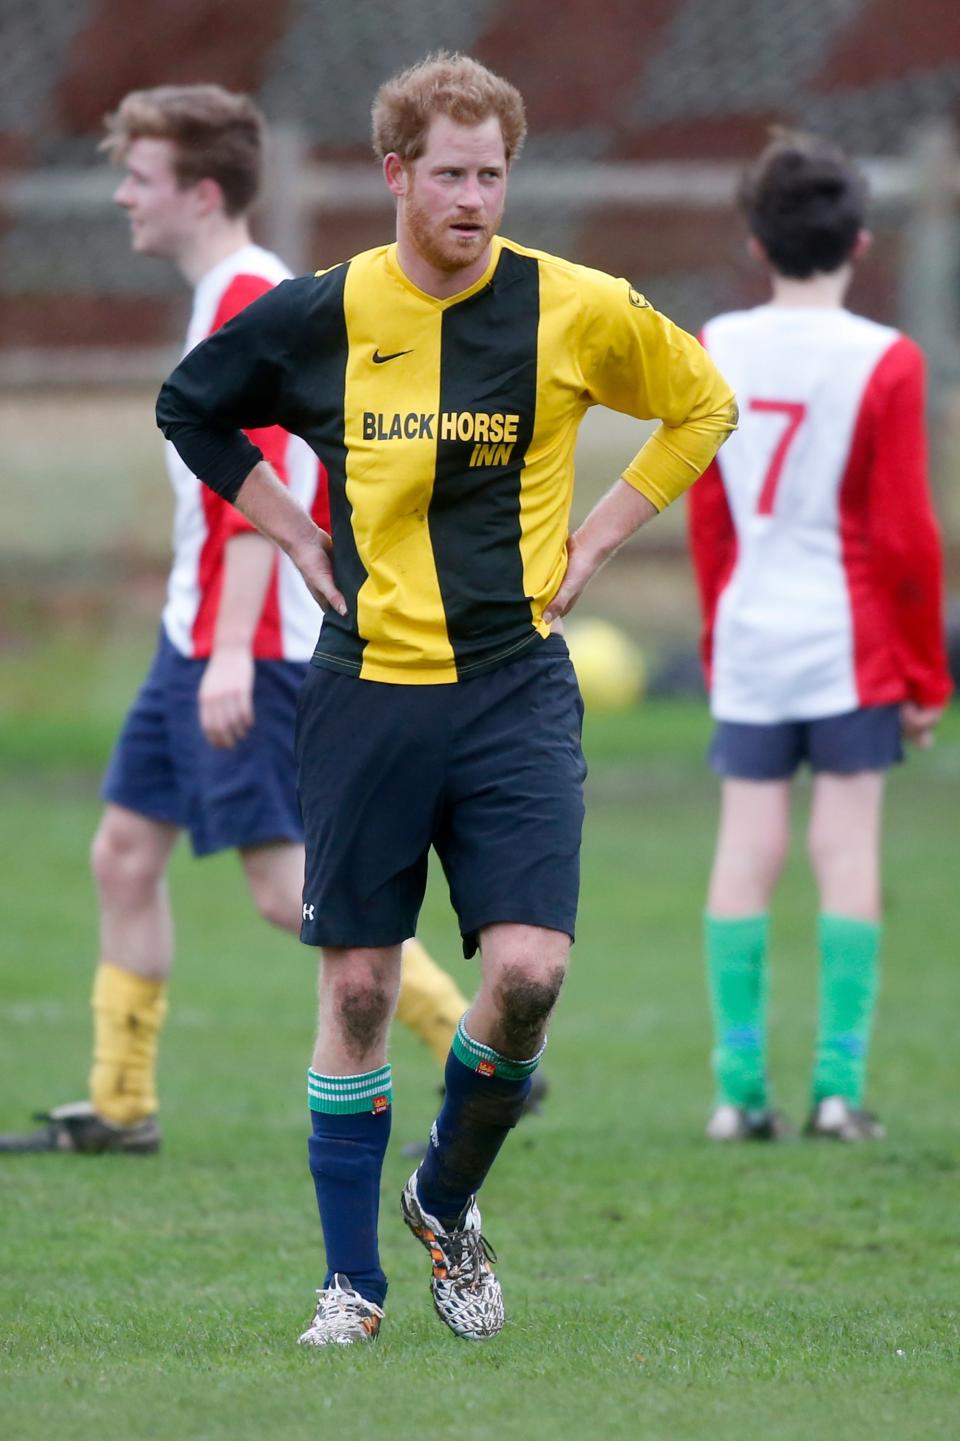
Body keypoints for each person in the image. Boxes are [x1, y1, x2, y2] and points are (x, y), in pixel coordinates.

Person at [156, 51, 736, 1346]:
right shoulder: (323, 312)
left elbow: (702, 402)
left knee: (528, 970)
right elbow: (191, 408)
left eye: (494, 175)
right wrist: (292, 536)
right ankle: (348, 1286)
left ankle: (445, 1197)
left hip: (514, 688)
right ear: (397, 175)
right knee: (359, 988)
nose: (475, 198)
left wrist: (598, 541)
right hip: (365, 690)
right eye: (452, 174)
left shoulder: (574, 308)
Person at [0, 83, 475, 1158]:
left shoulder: (251, 296)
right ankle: (120, 1106)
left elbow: (265, 486)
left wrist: (225, 651)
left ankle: (473, 1045)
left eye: (140, 177)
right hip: (196, 636)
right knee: (123, 854)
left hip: (245, 645)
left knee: (280, 888)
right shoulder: (222, 288)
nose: (123, 195)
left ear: (200, 191)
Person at [689, 131, 952, 1145]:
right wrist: (928, 673)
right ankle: (838, 1091)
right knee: (848, 850)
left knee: (743, 846)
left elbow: (708, 512)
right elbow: (905, 533)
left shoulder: (715, 343)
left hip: (753, 632)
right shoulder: (886, 359)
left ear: (756, 242)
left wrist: (719, 637)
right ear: (863, 242)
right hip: (851, 644)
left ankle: (737, 1093)